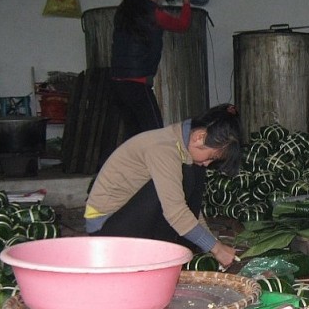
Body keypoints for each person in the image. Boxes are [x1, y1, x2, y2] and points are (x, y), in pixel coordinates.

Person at [84, 104, 241, 268]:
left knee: (193, 172)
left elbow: (190, 209)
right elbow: (176, 212)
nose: (208, 163)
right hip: (107, 231)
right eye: (212, 156)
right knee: (187, 176)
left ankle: (172, 252)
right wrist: (216, 249)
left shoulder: (181, 148)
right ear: (199, 137)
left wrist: (210, 243)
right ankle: (163, 256)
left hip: (127, 221)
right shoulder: (163, 149)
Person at [110, 0, 192, 141]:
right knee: (155, 134)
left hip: (117, 84)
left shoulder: (122, 12)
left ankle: (130, 167)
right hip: (138, 84)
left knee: (133, 136)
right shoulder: (153, 14)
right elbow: (183, 25)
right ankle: (158, 168)